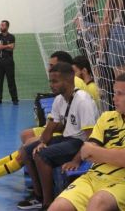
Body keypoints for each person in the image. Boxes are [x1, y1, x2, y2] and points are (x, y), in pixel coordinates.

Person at [49, 73, 125, 211]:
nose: (114, 98)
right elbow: (86, 152)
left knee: (97, 203)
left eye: (120, 94)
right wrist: (123, 156)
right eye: (114, 92)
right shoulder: (107, 117)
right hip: (92, 178)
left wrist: (110, 156)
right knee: (57, 207)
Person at [0, 51, 89, 186]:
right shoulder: (64, 90)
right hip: (65, 129)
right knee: (27, 138)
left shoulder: (77, 89)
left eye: (52, 65)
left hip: (71, 134)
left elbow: (82, 129)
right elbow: (60, 116)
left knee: (29, 145)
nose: (49, 68)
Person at [17, 62, 99, 210]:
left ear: (68, 81)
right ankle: (38, 195)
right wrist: (42, 141)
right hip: (67, 139)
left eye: (55, 81)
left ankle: (47, 203)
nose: (51, 85)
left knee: (41, 156)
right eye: (50, 81)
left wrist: (76, 160)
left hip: (79, 143)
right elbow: (51, 127)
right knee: (26, 150)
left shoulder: (83, 100)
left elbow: (91, 139)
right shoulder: (59, 99)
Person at [0, 20, 18, 105]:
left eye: (3, 25)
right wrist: (7, 46)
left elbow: (12, 48)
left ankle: (15, 99)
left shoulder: (11, 37)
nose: (1, 26)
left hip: (9, 63)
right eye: (0, 25)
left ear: (7, 27)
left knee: (11, 81)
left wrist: (2, 47)